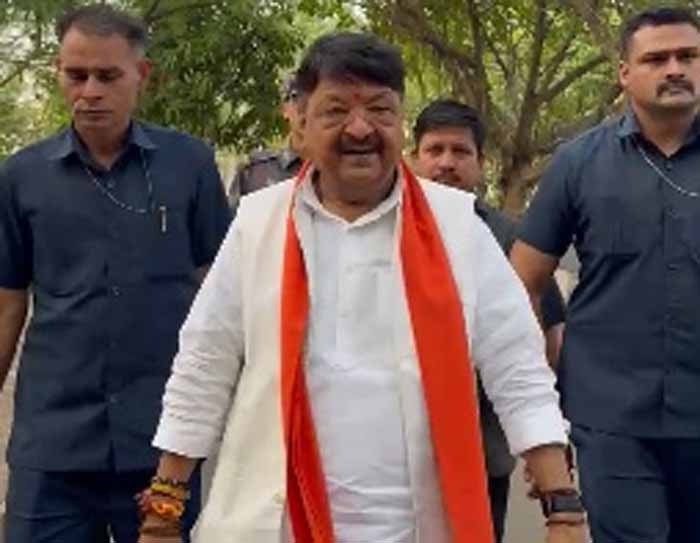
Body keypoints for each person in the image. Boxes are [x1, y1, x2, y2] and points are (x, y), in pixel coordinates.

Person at [139, 32, 585, 543]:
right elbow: (204, 364)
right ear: (301, 124)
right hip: (278, 524)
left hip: (416, 527)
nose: (360, 128)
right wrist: (163, 511)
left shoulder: (458, 227)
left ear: (399, 123)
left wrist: (563, 512)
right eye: (336, 111)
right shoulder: (258, 224)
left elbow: (518, 370)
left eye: (380, 110)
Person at [0, 5, 231, 542]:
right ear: (57, 72)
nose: (90, 92)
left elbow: (219, 294)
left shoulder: (189, 165)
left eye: (108, 76)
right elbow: (8, 299)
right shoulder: (21, 176)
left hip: (162, 443)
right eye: (76, 75)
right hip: (52, 443)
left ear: (141, 75)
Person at [510, 7, 700, 543]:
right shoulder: (577, 164)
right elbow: (520, 284)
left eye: (688, 56)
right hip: (612, 417)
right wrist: (539, 411)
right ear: (624, 73)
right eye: (656, 59)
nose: (675, 69)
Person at [411, 98, 567, 543]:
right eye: (434, 150)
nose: (446, 163)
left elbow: (548, 334)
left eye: (460, 152)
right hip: (395, 445)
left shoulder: (506, 237)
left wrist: (543, 438)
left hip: (481, 446)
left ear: (481, 163)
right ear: (413, 158)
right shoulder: (383, 229)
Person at [226, 74, 304, 214]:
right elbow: (231, 225)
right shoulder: (254, 174)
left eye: (316, 99)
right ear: (284, 109)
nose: (308, 108)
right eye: (298, 98)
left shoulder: (340, 173)